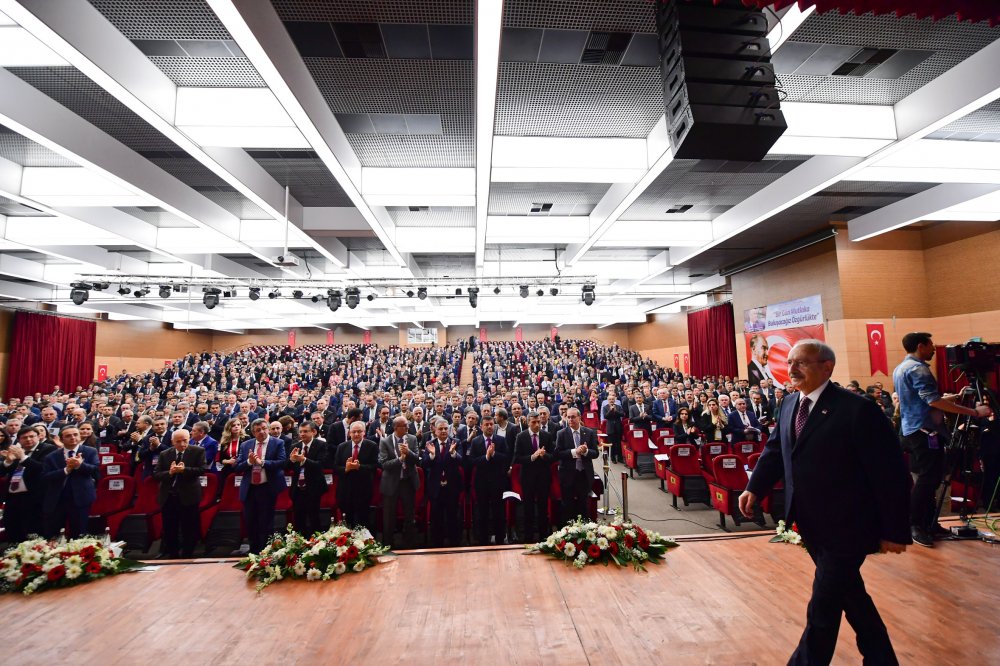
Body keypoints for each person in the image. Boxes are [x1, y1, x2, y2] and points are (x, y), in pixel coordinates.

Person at [740, 340, 911, 665]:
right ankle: (882, 659)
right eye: (789, 362)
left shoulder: (857, 409)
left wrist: (895, 529)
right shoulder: (790, 403)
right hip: (810, 524)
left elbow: (890, 474)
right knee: (852, 596)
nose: (791, 370)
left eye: (801, 363)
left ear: (826, 367)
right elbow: (777, 450)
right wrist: (754, 487)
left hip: (848, 527)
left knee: (823, 609)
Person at [892, 332, 992, 547]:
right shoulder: (919, 369)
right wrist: (974, 412)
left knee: (928, 480)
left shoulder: (901, 368)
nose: (934, 350)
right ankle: (915, 525)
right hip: (925, 432)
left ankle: (928, 523)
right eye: (930, 345)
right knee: (928, 481)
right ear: (921, 345)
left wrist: (951, 398)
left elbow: (917, 400)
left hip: (911, 430)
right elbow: (933, 402)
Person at [235, 419, 287, 554]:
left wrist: (262, 462)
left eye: (264, 428)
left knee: (266, 521)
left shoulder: (278, 443)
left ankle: (266, 552)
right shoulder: (246, 445)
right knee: (250, 521)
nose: (262, 432)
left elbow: (282, 462)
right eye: (258, 430)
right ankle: (253, 551)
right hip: (250, 488)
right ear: (253, 432)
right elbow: (237, 467)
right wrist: (249, 462)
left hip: (267, 487)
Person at [154, 429, 206, 559]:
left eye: (185, 441)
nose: (182, 444)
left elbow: (202, 469)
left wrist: (184, 470)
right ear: (172, 442)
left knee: (189, 528)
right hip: (168, 496)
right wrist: (170, 473)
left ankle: (187, 555)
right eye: (178, 441)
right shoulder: (164, 454)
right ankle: (172, 555)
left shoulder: (197, 451)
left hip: (189, 496)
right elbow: (156, 474)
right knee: (170, 529)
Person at [0, 426, 58, 542]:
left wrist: (23, 457)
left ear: (38, 437)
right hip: (13, 496)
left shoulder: (48, 449)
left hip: (34, 497)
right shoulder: (17, 450)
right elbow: (2, 472)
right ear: (19, 440)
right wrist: (8, 461)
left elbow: (42, 469)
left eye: (32, 436)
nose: (28, 439)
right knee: (13, 529)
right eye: (24, 437)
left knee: (33, 532)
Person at [42, 425, 100, 538]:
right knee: (54, 533)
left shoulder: (90, 451)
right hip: (58, 498)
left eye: (75, 435)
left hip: (81, 497)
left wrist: (80, 465)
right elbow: (45, 477)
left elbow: (95, 470)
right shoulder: (51, 456)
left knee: (79, 532)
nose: (73, 438)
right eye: (68, 436)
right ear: (61, 439)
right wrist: (65, 470)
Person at [467, 414, 510, 546]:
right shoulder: (476, 441)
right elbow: (472, 461)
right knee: (482, 512)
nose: (489, 426)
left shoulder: (501, 440)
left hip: (498, 481)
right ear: (481, 427)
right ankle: (483, 539)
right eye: (486, 424)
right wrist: (486, 457)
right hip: (482, 482)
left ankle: (499, 538)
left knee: (499, 512)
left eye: (491, 424)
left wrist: (494, 454)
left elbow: (507, 458)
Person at [378, 416, 420, 549]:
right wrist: (400, 459)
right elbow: (384, 464)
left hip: (408, 482)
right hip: (391, 483)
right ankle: (388, 545)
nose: (408, 428)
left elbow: (417, 459)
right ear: (396, 427)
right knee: (389, 516)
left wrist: (409, 453)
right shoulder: (385, 441)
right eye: (405, 425)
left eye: (407, 425)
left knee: (409, 515)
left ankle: (409, 544)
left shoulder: (412, 439)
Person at [514, 411, 555, 543]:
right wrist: (533, 456)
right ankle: (528, 537)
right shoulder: (521, 436)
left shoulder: (547, 436)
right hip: (527, 478)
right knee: (528, 508)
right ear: (528, 422)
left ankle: (544, 537)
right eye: (534, 422)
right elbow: (517, 458)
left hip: (543, 477)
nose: (537, 424)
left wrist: (543, 455)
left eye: (538, 422)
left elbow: (553, 457)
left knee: (543, 508)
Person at [421, 418, 463, 547]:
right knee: (436, 518)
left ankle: (454, 543)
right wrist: (432, 455)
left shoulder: (456, 442)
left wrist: (453, 453)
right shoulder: (430, 443)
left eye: (445, 428)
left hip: (452, 487)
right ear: (435, 430)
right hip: (436, 487)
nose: (444, 431)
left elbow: (461, 461)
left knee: (453, 517)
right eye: (441, 429)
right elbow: (424, 464)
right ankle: (436, 544)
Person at [554, 408, 598, 523]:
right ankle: (567, 530)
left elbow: (596, 453)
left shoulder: (589, 432)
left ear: (579, 418)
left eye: (573, 417)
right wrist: (575, 452)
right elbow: (558, 453)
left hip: (584, 474)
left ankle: (584, 530)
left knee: (583, 503)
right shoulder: (561, 433)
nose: (570, 419)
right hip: (567, 474)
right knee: (567, 504)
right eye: (568, 417)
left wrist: (586, 452)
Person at [285, 421, 329, 537]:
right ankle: (300, 546)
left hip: (314, 489)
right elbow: (286, 467)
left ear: (314, 432)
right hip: (298, 489)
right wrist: (292, 460)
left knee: (314, 519)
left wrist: (303, 460)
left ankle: (316, 547)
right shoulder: (295, 446)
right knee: (299, 520)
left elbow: (320, 464)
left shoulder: (321, 445)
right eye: (300, 432)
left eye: (306, 431)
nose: (302, 434)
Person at [334, 421, 378, 530]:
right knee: (347, 523)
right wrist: (346, 468)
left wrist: (359, 467)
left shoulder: (372, 445)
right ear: (349, 433)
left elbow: (374, 466)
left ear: (364, 433)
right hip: (345, 490)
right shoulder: (342, 446)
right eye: (354, 432)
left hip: (363, 489)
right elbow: (335, 468)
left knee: (363, 522)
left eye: (359, 431)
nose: (356, 434)